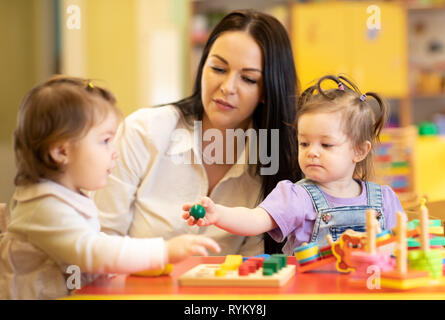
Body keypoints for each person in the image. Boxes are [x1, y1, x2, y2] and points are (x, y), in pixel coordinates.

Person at [94, 10, 302, 255]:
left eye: (247, 79)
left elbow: (255, 270)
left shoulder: (272, 165)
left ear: (268, 91)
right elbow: (100, 241)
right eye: (218, 68)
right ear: (202, 66)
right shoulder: (144, 131)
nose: (227, 88)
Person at [0, 75, 220, 300]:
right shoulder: (45, 208)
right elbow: (90, 251)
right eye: (105, 141)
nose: (115, 151)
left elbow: (96, 243)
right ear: (61, 152)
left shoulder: (67, 197)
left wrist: (133, 262)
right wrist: (163, 251)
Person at [182, 74, 405, 254]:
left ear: (359, 150)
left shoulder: (383, 199)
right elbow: (255, 219)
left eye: (326, 145)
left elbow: (402, 244)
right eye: (304, 143)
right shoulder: (295, 196)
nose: (312, 153)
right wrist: (218, 214)